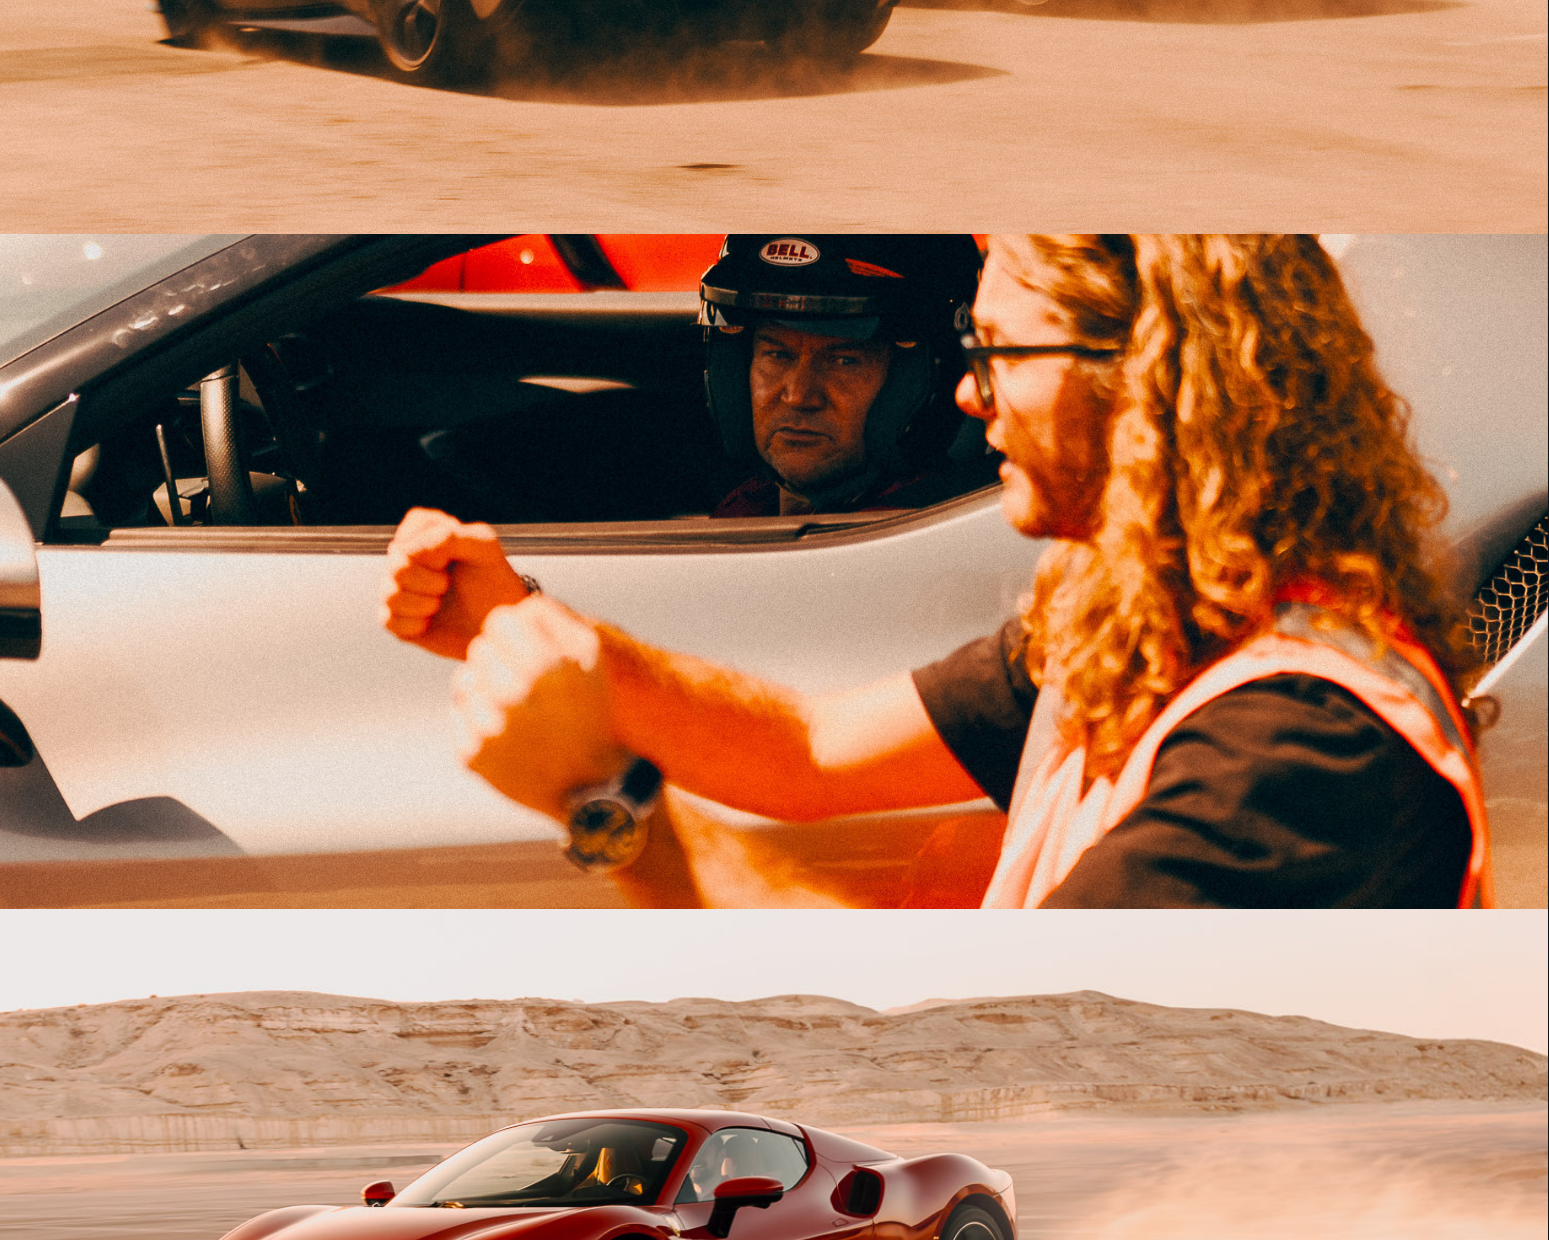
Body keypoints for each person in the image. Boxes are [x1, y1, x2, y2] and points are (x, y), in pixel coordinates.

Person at [382, 235, 1493, 909]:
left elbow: (987, 1063)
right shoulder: (1145, 624)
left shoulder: (1292, 757)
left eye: (1000, 355)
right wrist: (529, 623)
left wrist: (606, 805)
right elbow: (807, 755)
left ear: (1150, 377)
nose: (970, 397)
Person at [697, 236, 985, 516]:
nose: (798, 396)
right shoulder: (749, 507)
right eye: (777, 355)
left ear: (916, 381)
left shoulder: (929, 536)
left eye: (845, 361)